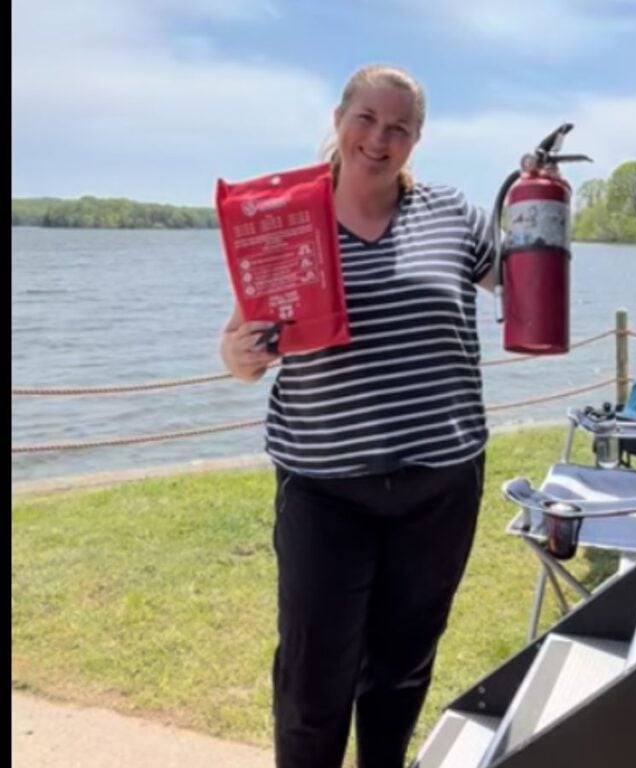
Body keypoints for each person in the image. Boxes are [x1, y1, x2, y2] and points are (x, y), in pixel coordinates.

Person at [219, 63, 495, 768]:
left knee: (402, 668)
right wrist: (240, 354)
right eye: (366, 119)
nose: (380, 137)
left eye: (399, 127)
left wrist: (536, 205)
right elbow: (242, 347)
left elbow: (528, 285)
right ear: (339, 120)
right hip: (324, 488)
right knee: (314, 679)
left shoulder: (454, 214)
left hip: (439, 484)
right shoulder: (284, 218)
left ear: (417, 139)